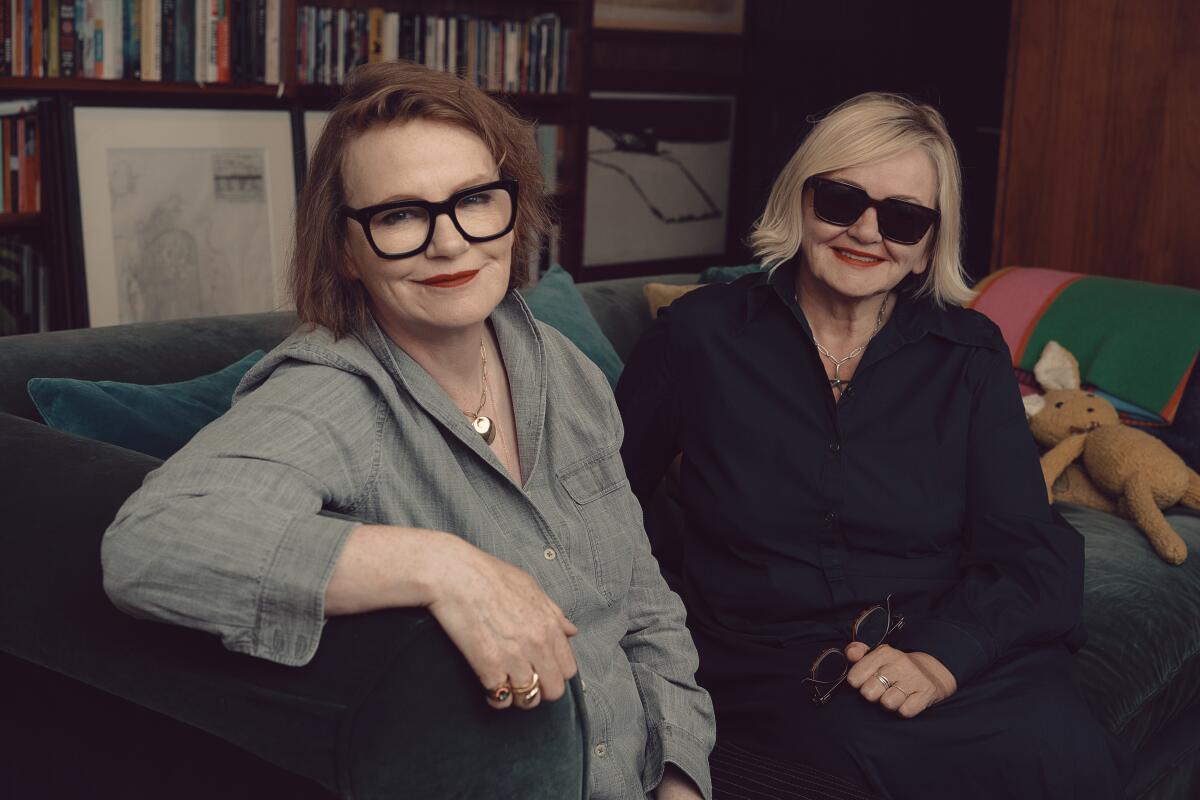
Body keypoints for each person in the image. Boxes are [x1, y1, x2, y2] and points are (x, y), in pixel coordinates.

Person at [101, 61, 714, 800]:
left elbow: (645, 609)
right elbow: (152, 543)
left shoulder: (562, 365)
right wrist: (442, 566)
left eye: (475, 200)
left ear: (513, 208)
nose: (449, 243)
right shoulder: (335, 392)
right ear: (343, 250)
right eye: (398, 215)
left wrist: (681, 774)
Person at [615, 93, 1132, 799]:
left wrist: (943, 659)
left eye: (903, 217)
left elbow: (1031, 550)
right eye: (841, 199)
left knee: (1065, 756)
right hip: (766, 675)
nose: (866, 230)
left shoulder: (969, 354)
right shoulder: (698, 336)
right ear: (801, 199)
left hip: (940, 652)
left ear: (927, 243)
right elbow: (603, 503)